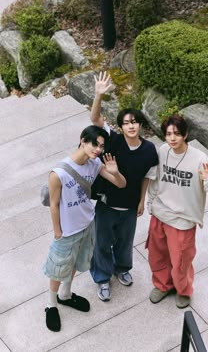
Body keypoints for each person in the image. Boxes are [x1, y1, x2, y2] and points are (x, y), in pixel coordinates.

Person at [43, 125, 126, 332]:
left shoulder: (94, 164)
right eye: (94, 144)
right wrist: (57, 232)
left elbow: (121, 184)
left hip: (87, 225)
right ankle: (51, 304)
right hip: (67, 231)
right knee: (58, 269)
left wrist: (116, 173)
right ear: (82, 140)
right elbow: (53, 204)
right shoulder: (59, 173)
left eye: (101, 146)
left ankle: (66, 295)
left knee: (74, 265)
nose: (97, 149)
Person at [89, 71, 159, 302]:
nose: (131, 126)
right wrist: (98, 95)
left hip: (129, 207)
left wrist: (141, 201)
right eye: (126, 123)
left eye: (134, 122)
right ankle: (102, 277)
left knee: (125, 243)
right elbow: (95, 119)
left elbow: (148, 176)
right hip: (107, 205)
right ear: (120, 127)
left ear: (140, 125)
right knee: (101, 243)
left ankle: (121, 268)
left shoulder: (149, 150)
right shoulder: (114, 140)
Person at [146, 114, 208, 309]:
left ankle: (183, 290)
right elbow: (156, 180)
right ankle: (163, 285)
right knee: (157, 255)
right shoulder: (163, 151)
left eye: (177, 134)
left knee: (180, 260)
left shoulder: (199, 158)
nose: (172, 138)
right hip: (161, 213)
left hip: (183, 219)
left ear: (185, 134)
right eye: (168, 134)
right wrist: (151, 204)